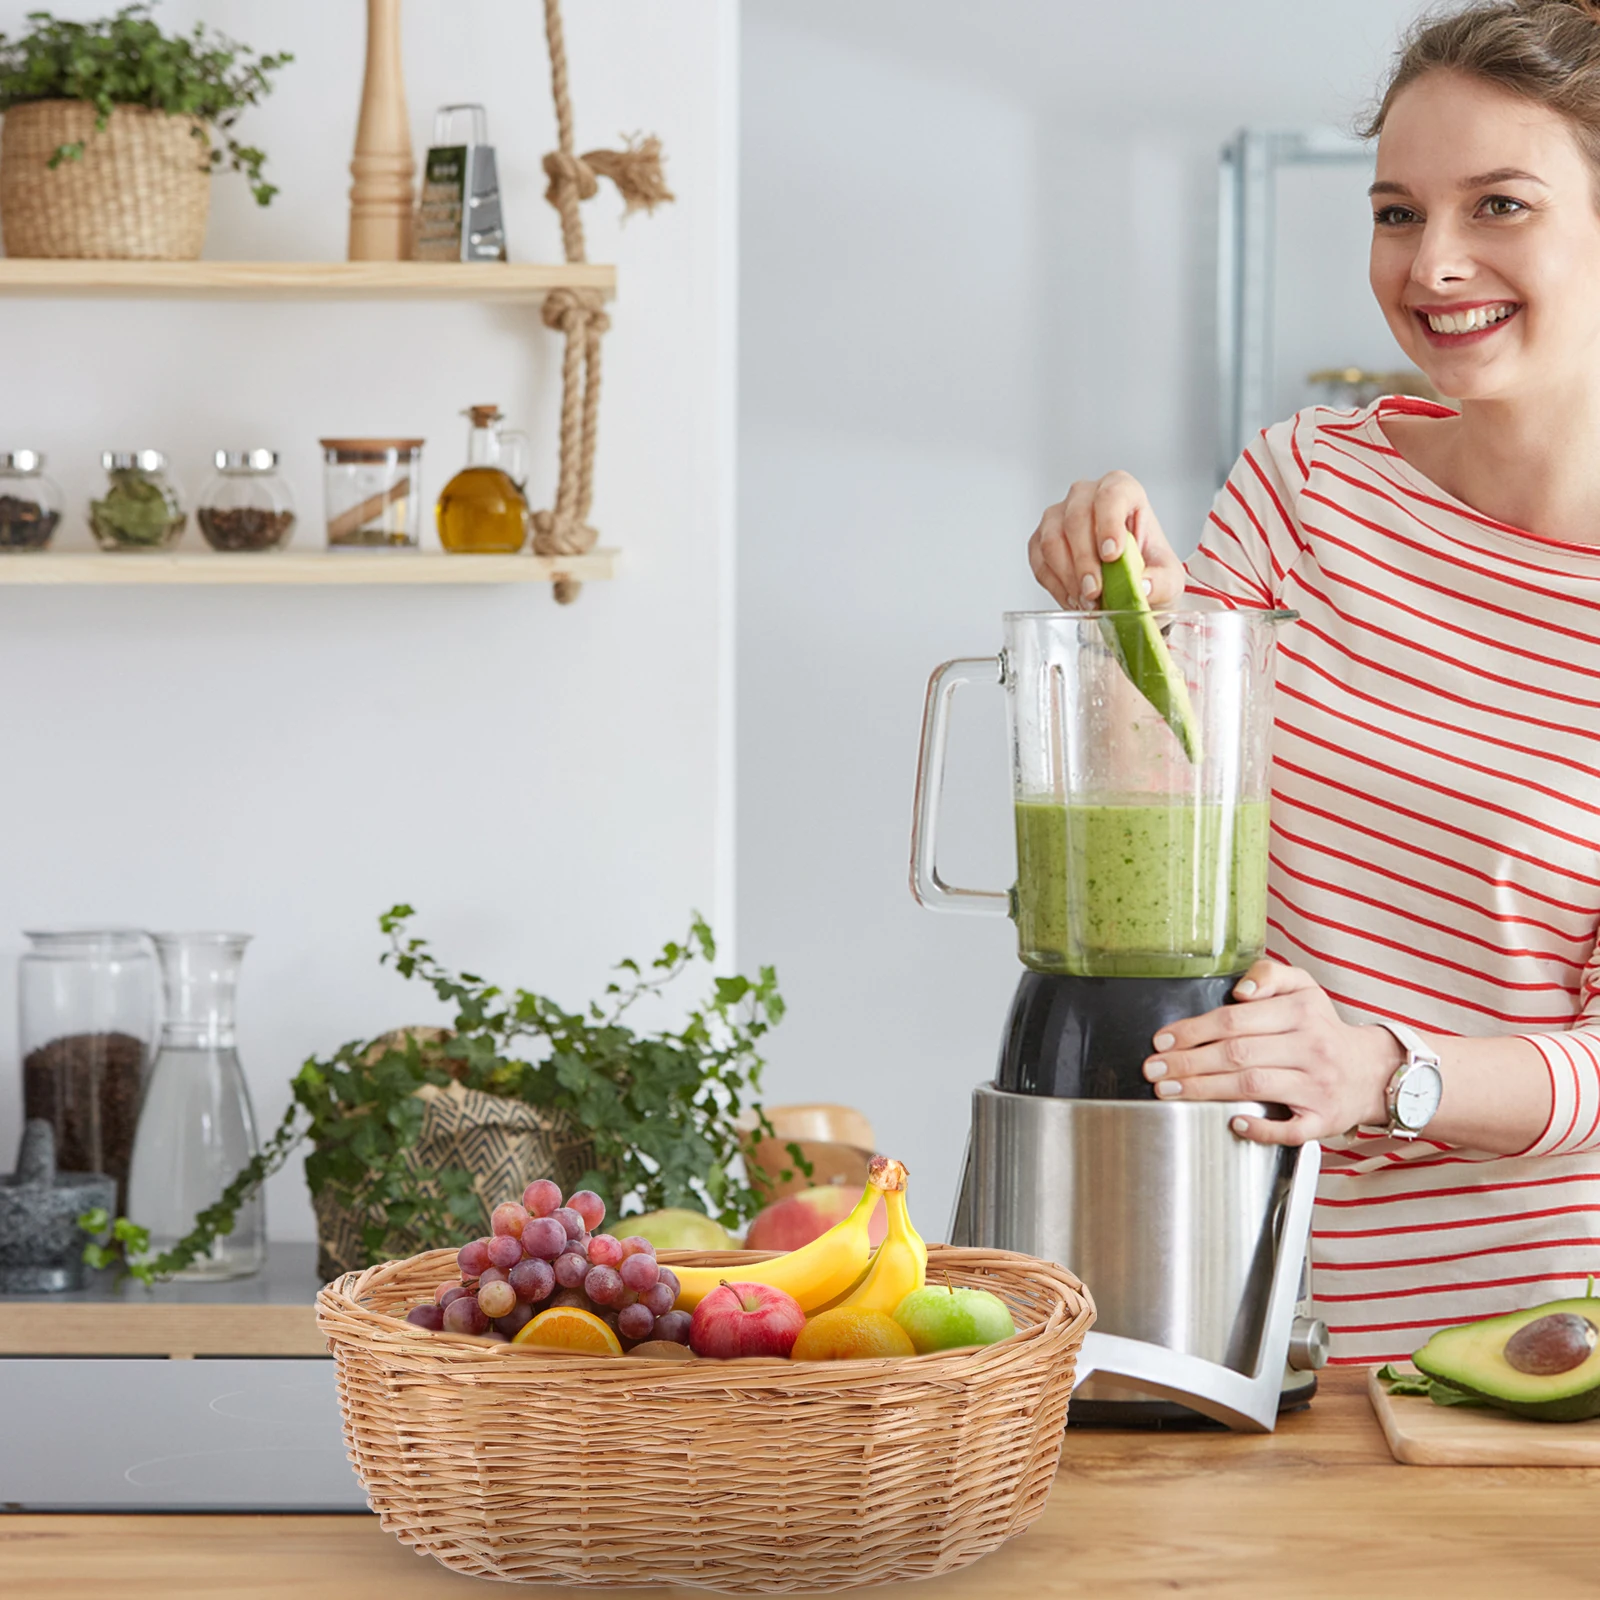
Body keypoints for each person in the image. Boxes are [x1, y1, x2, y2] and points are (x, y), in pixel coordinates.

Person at [1027, 0, 1600, 1364]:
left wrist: (1382, 1073)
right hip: (1223, 1283)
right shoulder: (1306, 485)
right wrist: (1132, 609)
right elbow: (1160, 804)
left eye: (1499, 205)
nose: (1435, 264)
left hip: (1529, 1338)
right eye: (1397, 212)